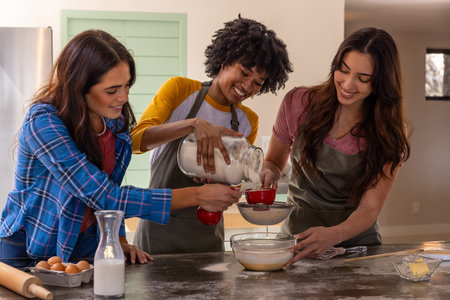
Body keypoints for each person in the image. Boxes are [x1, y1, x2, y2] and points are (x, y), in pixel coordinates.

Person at [0, 29, 241, 269]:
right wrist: (197, 195)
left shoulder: (113, 121)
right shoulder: (43, 122)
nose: (123, 98)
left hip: (86, 242)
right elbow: (105, 196)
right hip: (31, 245)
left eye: (127, 85)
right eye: (112, 90)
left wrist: (117, 239)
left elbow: (110, 189)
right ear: (78, 86)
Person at [131, 15, 293, 254]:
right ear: (224, 60)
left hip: (207, 234)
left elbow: (234, 180)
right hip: (158, 229)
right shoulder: (180, 90)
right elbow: (136, 141)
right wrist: (193, 125)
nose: (247, 87)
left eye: (258, 82)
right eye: (244, 72)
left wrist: (229, 186)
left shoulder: (248, 121)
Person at [260, 27, 410, 265]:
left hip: (356, 249)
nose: (348, 84)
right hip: (297, 240)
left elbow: (371, 207)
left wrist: (333, 235)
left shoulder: (388, 132)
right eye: (344, 70)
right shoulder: (299, 103)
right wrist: (268, 173)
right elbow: (274, 161)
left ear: (380, 83)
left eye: (363, 79)